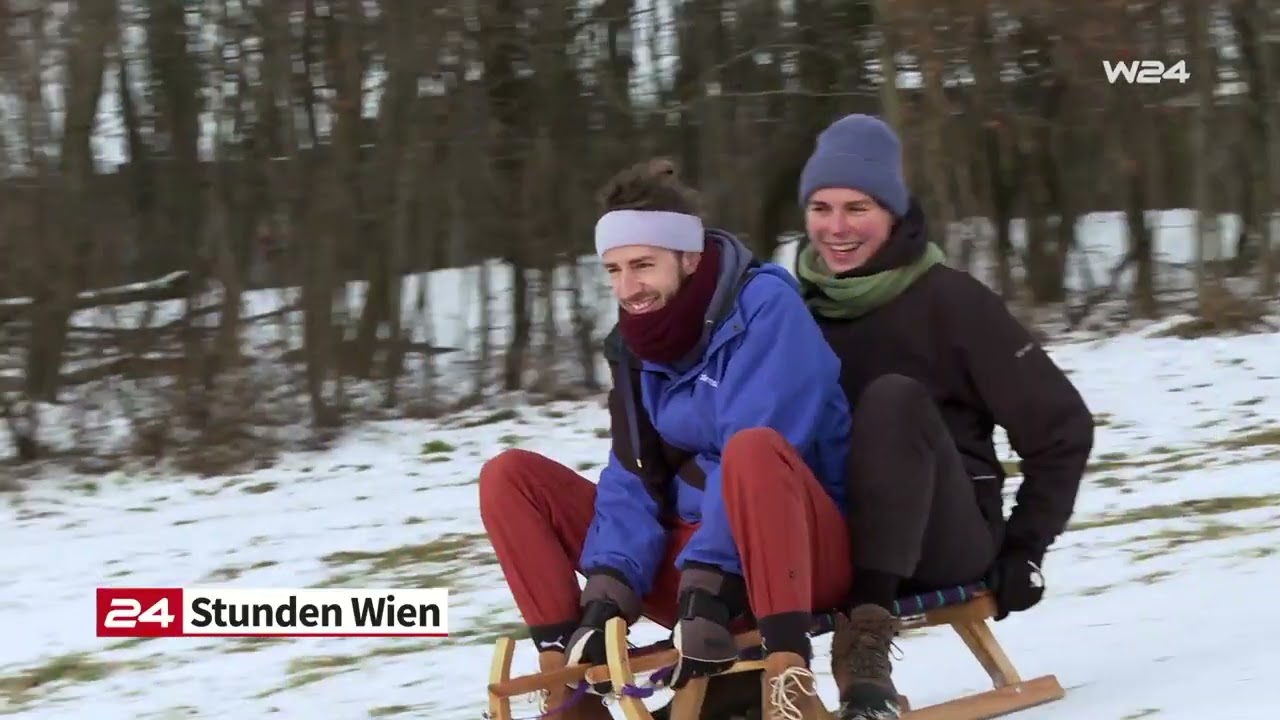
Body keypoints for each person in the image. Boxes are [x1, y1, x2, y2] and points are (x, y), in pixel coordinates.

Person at [479, 158, 856, 720]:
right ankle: (568, 681)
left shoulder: (766, 310)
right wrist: (608, 593)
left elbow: (764, 445)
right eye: (612, 270)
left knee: (750, 447)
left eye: (642, 265)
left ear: (690, 256)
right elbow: (633, 474)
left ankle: (787, 678)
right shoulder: (634, 347)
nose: (627, 288)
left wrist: (707, 585)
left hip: (793, 552)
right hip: (696, 574)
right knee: (510, 477)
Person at [792, 113, 1096, 720]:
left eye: (857, 207)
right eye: (821, 208)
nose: (836, 227)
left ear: (895, 212)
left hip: (945, 535)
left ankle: (866, 646)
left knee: (894, 398)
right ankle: (741, 681)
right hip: (833, 540)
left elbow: (1062, 426)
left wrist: (1026, 546)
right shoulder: (791, 307)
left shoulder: (950, 300)